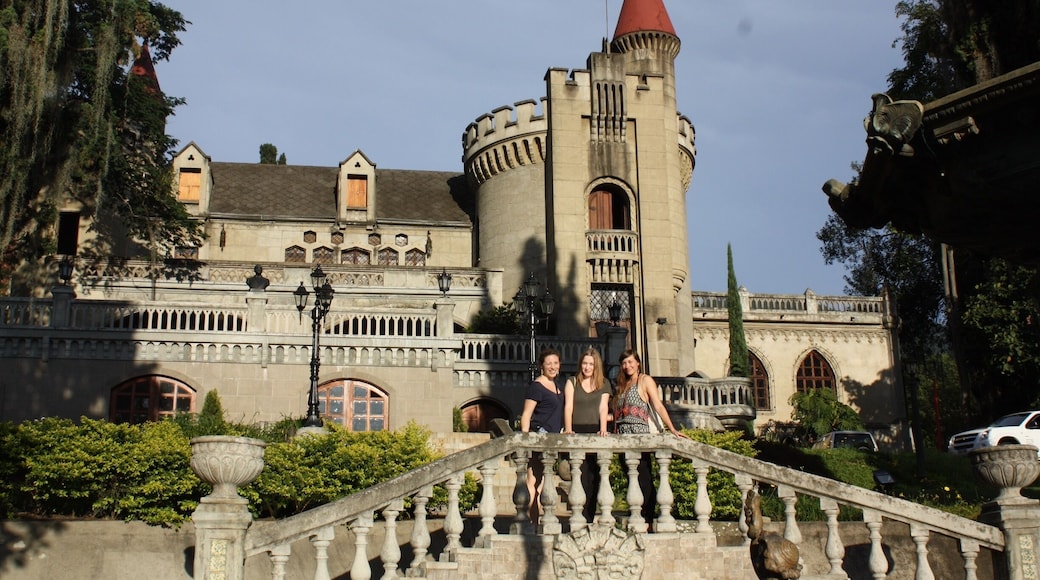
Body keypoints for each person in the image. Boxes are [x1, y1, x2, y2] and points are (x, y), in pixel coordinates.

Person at [612, 349, 689, 526]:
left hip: (640, 436)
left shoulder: (644, 380)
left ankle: (648, 518)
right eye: (624, 363)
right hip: (624, 437)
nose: (627, 366)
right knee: (631, 477)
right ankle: (639, 515)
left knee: (643, 477)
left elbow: (658, 406)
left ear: (638, 363)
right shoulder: (623, 384)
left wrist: (672, 428)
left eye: (631, 362)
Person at [563, 347, 610, 523]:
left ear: (596, 365)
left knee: (595, 477)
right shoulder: (572, 382)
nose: (587, 367)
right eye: (584, 363)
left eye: (590, 364)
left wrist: (603, 428)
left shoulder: (603, 383)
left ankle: (590, 516)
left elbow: (603, 407)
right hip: (577, 430)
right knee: (580, 476)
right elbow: (568, 406)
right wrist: (568, 429)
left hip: (595, 430)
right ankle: (580, 516)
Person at [519, 347, 564, 526]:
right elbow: (526, 415)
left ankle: (536, 521)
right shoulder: (537, 386)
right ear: (542, 366)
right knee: (533, 480)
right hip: (541, 435)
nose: (552, 366)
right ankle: (529, 521)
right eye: (548, 364)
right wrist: (524, 439)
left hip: (553, 437)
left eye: (555, 363)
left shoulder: (557, 386)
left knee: (542, 481)